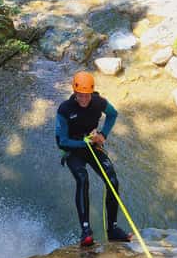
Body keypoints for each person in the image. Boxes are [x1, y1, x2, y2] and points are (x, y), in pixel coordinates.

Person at [55, 71, 132, 247]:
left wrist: (103, 134)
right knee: (83, 179)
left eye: (86, 95)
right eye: (80, 95)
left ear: (92, 92)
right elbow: (61, 142)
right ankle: (86, 231)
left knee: (112, 181)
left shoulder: (98, 102)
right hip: (72, 149)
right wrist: (85, 143)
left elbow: (113, 114)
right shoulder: (65, 109)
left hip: (93, 145)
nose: (83, 99)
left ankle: (112, 229)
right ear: (74, 93)